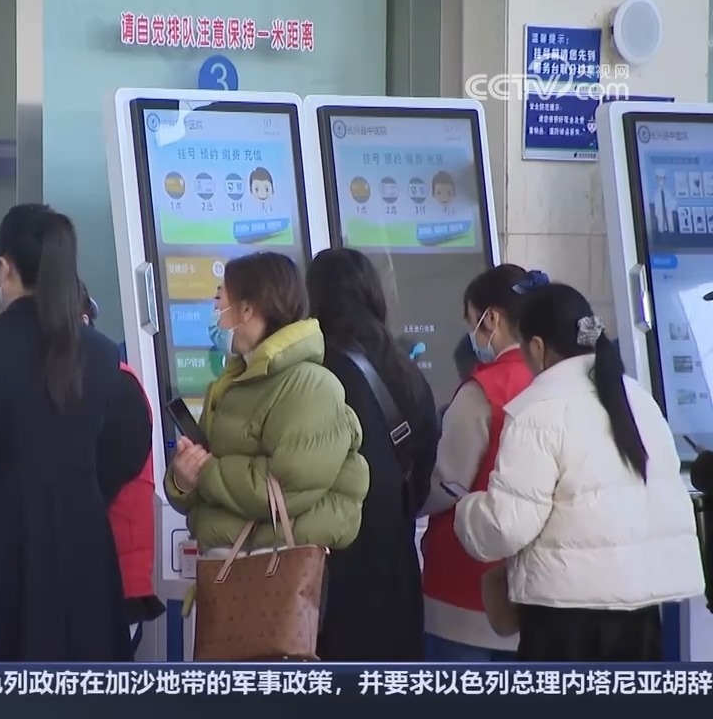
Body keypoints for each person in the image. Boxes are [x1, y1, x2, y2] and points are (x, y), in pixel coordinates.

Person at [0, 204, 149, 661]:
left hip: (0, 550)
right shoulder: (102, 354)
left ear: (3, 268)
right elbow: (122, 451)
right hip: (86, 548)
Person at [454, 283, 705, 661]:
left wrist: (468, 510)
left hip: (567, 617)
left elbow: (507, 526)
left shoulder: (538, 410)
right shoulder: (638, 398)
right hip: (642, 614)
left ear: (537, 346)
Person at [165, 252, 369, 561]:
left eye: (220, 301)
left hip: (273, 569)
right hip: (226, 562)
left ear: (247, 309)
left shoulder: (309, 386)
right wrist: (183, 477)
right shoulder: (233, 381)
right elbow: (207, 484)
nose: (215, 313)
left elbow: (284, 489)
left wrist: (205, 470)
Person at [305, 248, 439, 661]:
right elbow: (424, 467)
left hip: (335, 570)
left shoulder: (317, 372)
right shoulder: (404, 369)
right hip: (396, 563)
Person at [420, 264, 541, 661]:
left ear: (491, 318)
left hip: (467, 587)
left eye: (472, 321)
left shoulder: (483, 390)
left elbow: (448, 482)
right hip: (536, 587)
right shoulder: (555, 380)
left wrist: (406, 501)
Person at [79, 281, 165, 657]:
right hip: (92, 575)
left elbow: (97, 481)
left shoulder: (117, 384)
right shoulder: (90, 382)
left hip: (113, 578)